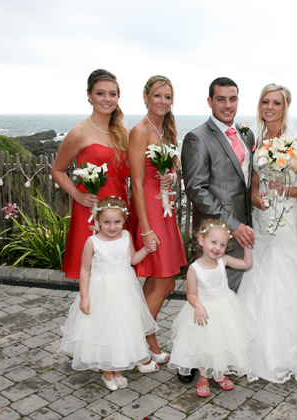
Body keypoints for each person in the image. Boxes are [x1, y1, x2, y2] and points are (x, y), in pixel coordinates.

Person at [237, 84, 297, 383]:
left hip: (287, 218)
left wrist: (285, 190)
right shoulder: (256, 140)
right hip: (262, 218)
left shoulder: (296, 143)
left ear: (285, 107)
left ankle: (290, 345)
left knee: (285, 272)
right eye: (265, 102)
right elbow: (253, 182)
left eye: (276, 102)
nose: (270, 107)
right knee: (259, 272)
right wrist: (254, 197)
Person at [58, 197, 159, 391]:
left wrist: (146, 249)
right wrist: (85, 296)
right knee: (103, 330)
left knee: (121, 329)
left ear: (124, 221)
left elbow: (132, 259)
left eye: (117, 222)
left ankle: (118, 369)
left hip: (124, 291)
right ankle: (106, 370)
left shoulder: (126, 236)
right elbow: (85, 270)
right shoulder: (92, 242)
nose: (112, 227)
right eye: (107, 222)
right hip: (101, 292)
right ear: (98, 221)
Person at [128, 75, 187, 371]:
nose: (163, 101)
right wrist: (145, 228)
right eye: (157, 96)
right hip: (150, 212)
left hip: (166, 207)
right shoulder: (140, 131)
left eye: (167, 96)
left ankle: (149, 344)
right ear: (145, 97)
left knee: (155, 280)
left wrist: (172, 177)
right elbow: (137, 183)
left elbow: (166, 171)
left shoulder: (165, 129)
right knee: (165, 282)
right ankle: (136, 346)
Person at [51, 69, 129, 279]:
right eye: (100, 93)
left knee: (117, 272)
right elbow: (57, 170)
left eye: (112, 94)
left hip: (119, 210)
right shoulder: (79, 132)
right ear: (89, 96)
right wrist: (77, 195)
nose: (107, 99)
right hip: (91, 209)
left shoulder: (122, 133)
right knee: (92, 273)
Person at [181, 77, 255, 294]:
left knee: (238, 294)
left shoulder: (246, 134)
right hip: (218, 231)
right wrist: (232, 224)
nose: (228, 105)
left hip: (246, 227)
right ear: (210, 101)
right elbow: (196, 189)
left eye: (233, 99)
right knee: (216, 294)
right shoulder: (197, 138)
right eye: (221, 99)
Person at [168, 219, 255, 397]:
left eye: (222, 245)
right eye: (213, 242)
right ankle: (203, 376)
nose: (217, 248)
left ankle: (219, 372)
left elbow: (247, 264)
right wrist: (198, 305)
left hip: (225, 307)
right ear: (201, 241)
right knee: (204, 343)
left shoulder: (224, 261)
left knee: (223, 340)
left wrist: (247, 245)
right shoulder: (194, 268)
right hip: (203, 310)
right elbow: (191, 294)